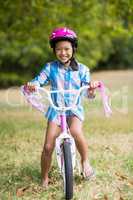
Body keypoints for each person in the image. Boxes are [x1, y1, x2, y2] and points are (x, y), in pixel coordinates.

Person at [25, 27, 99, 187]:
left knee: (76, 132)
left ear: (73, 49)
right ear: (54, 50)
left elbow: (89, 92)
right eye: (58, 49)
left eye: (66, 49)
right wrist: (33, 84)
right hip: (56, 111)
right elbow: (40, 79)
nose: (63, 52)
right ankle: (44, 177)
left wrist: (91, 88)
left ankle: (85, 161)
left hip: (74, 110)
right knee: (48, 145)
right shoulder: (50, 68)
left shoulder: (82, 70)